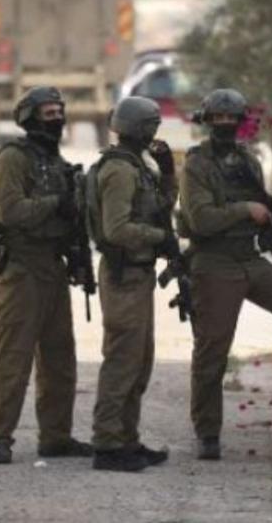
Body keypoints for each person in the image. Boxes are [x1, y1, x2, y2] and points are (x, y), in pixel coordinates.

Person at [179, 88, 272, 461]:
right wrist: (244, 210)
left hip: (250, 258)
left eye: (231, 118)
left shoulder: (248, 160)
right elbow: (201, 220)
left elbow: (265, 217)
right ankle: (207, 432)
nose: (225, 124)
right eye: (218, 118)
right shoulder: (197, 164)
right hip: (214, 262)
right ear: (207, 121)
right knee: (213, 350)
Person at [0, 86, 93, 465]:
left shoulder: (57, 162)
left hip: (53, 267)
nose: (57, 120)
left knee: (60, 360)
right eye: (49, 114)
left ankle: (56, 437)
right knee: (14, 361)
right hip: (23, 270)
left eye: (59, 113)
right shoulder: (13, 158)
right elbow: (10, 211)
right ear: (29, 119)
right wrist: (55, 204)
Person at [87, 96, 178, 472]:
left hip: (138, 274)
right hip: (123, 274)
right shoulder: (120, 171)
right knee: (122, 361)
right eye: (152, 126)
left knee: (139, 362)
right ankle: (108, 445)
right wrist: (159, 238)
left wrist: (169, 173)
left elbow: (161, 208)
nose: (155, 133)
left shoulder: (138, 166)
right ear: (142, 129)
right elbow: (117, 229)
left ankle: (127, 439)